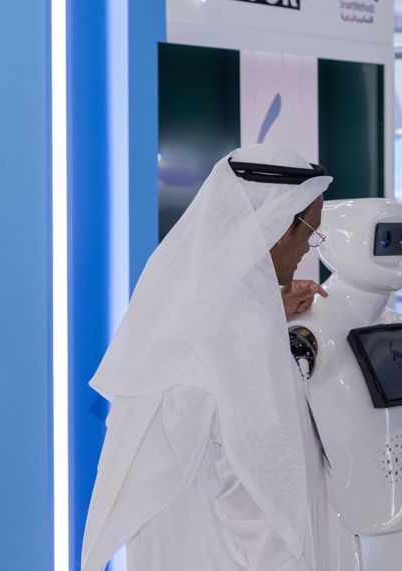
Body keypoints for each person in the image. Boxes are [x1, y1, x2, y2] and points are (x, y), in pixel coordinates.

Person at [82, 144, 334, 571]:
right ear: (277, 224)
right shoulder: (242, 344)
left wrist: (272, 309)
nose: (309, 247)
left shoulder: (186, 304)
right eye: (310, 231)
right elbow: (261, 504)